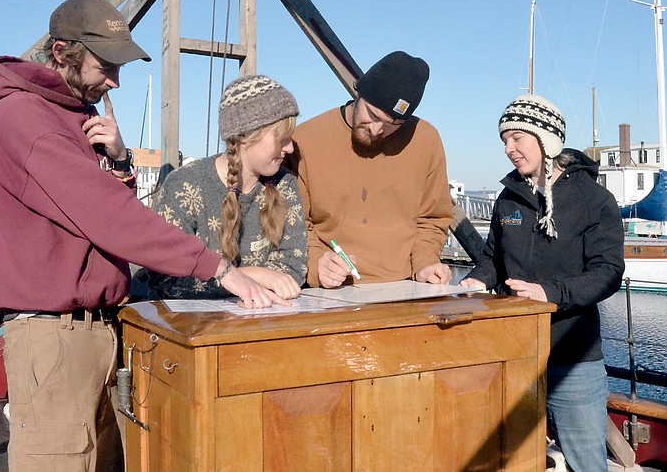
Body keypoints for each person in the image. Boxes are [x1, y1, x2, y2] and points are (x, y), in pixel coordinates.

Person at [0, 0, 286, 472]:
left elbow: (95, 213)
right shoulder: (25, 119)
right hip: (53, 339)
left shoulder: (73, 116)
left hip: (96, 331)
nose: (114, 82)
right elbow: (110, 218)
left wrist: (120, 163)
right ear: (62, 53)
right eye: (106, 66)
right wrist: (220, 268)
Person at [460, 94, 624, 472]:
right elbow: (493, 260)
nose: (508, 148)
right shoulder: (508, 198)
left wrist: (550, 294)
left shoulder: (593, 199)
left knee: (587, 464)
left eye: (517, 137)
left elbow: (607, 272)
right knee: (513, 460)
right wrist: (474, 282)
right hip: (513, 354)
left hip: (573, 358)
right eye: (504, 140)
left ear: (546, 140)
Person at [287, 50, 453, 288]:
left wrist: (425, 263)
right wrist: (315, 264)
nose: (376, 130)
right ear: (359, 92)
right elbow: (294, 224)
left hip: (405, 289)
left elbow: (432, 219)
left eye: (393, 124)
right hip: (328, 291)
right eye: (373, 114)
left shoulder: (426, 140)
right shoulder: (305, 140)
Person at [134, 75, 307, 300]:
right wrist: (245, 277)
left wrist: (251, 283)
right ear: (245, 136)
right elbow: (167, 278)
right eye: (282, 138)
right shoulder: (184, 186)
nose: (290, 148)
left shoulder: (284, 184)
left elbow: (293, 265)